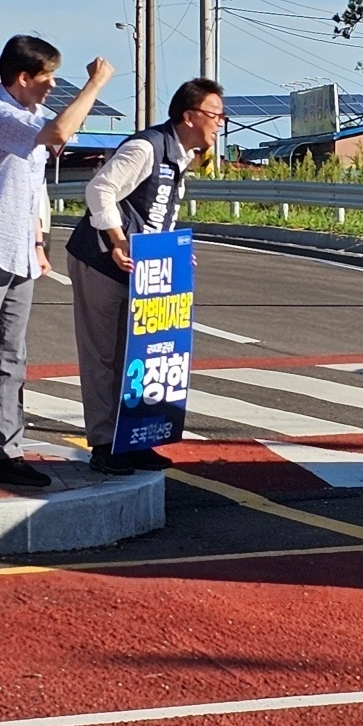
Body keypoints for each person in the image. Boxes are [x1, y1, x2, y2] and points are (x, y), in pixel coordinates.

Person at [0, 36, 114, 492]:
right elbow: (59, 134)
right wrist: (94, 84)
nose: (52, 87)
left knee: (12, 355)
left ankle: (7, 450)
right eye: (46, 78)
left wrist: (38, 241)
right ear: (22, 78)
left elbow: (35, 180)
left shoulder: (30, 116)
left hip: (19, 248)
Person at [66, 78, 224, 474]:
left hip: (143, 269)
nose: (219, 123)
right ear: (189, 116)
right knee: (102, 357)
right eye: (214, 114)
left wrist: (175, 254)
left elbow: (158, 212)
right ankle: (103, 445)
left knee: (135, 356)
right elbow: (99, 190)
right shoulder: (146, 147)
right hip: (101, 261)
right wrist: (118, 241)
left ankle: (132, 440)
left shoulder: (183, 154)